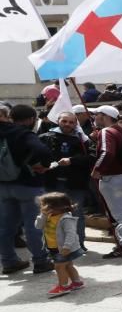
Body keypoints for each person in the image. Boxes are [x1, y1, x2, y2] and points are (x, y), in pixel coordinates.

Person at [0, 105, 54, 274]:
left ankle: (9, 261)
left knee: (5, 226)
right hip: (28, 186)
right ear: (31, 119)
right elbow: (42, 150)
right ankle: (40, 261)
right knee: (34, 225)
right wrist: (42, 165)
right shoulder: (23, 133)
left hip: (3, 186)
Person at [40, 111, 92, 249]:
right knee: (50, 214)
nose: (67, 124)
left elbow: (90, 158)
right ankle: (52, 244)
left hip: (75, 184)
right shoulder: (46, 137)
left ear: (76, 123)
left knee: (76, 214)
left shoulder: (83, 140)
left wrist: (72, 161)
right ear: (58, 121)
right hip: (51, 182)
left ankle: (79, 243)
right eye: (64, 121)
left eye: (71, 122)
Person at [90, 105, 122, 258]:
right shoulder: (120, 131)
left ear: (104, 116)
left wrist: (98, 169)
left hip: (113, 178)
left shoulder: (107, 131)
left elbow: (107, 152)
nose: (95, 117)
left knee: (119, 213)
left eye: (97, 114)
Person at [34, 192, 83, 297]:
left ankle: (63, 286)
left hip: (63, 248)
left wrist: (67, 247)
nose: (43, 208)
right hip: (54, 247)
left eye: (45, 205)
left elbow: (71, 234)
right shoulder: (49, 216)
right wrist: (43, 215)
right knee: (68, 265)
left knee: (59, 267)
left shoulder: (66, 218)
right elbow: (38, 226)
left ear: (57, 207)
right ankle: (77, 282)